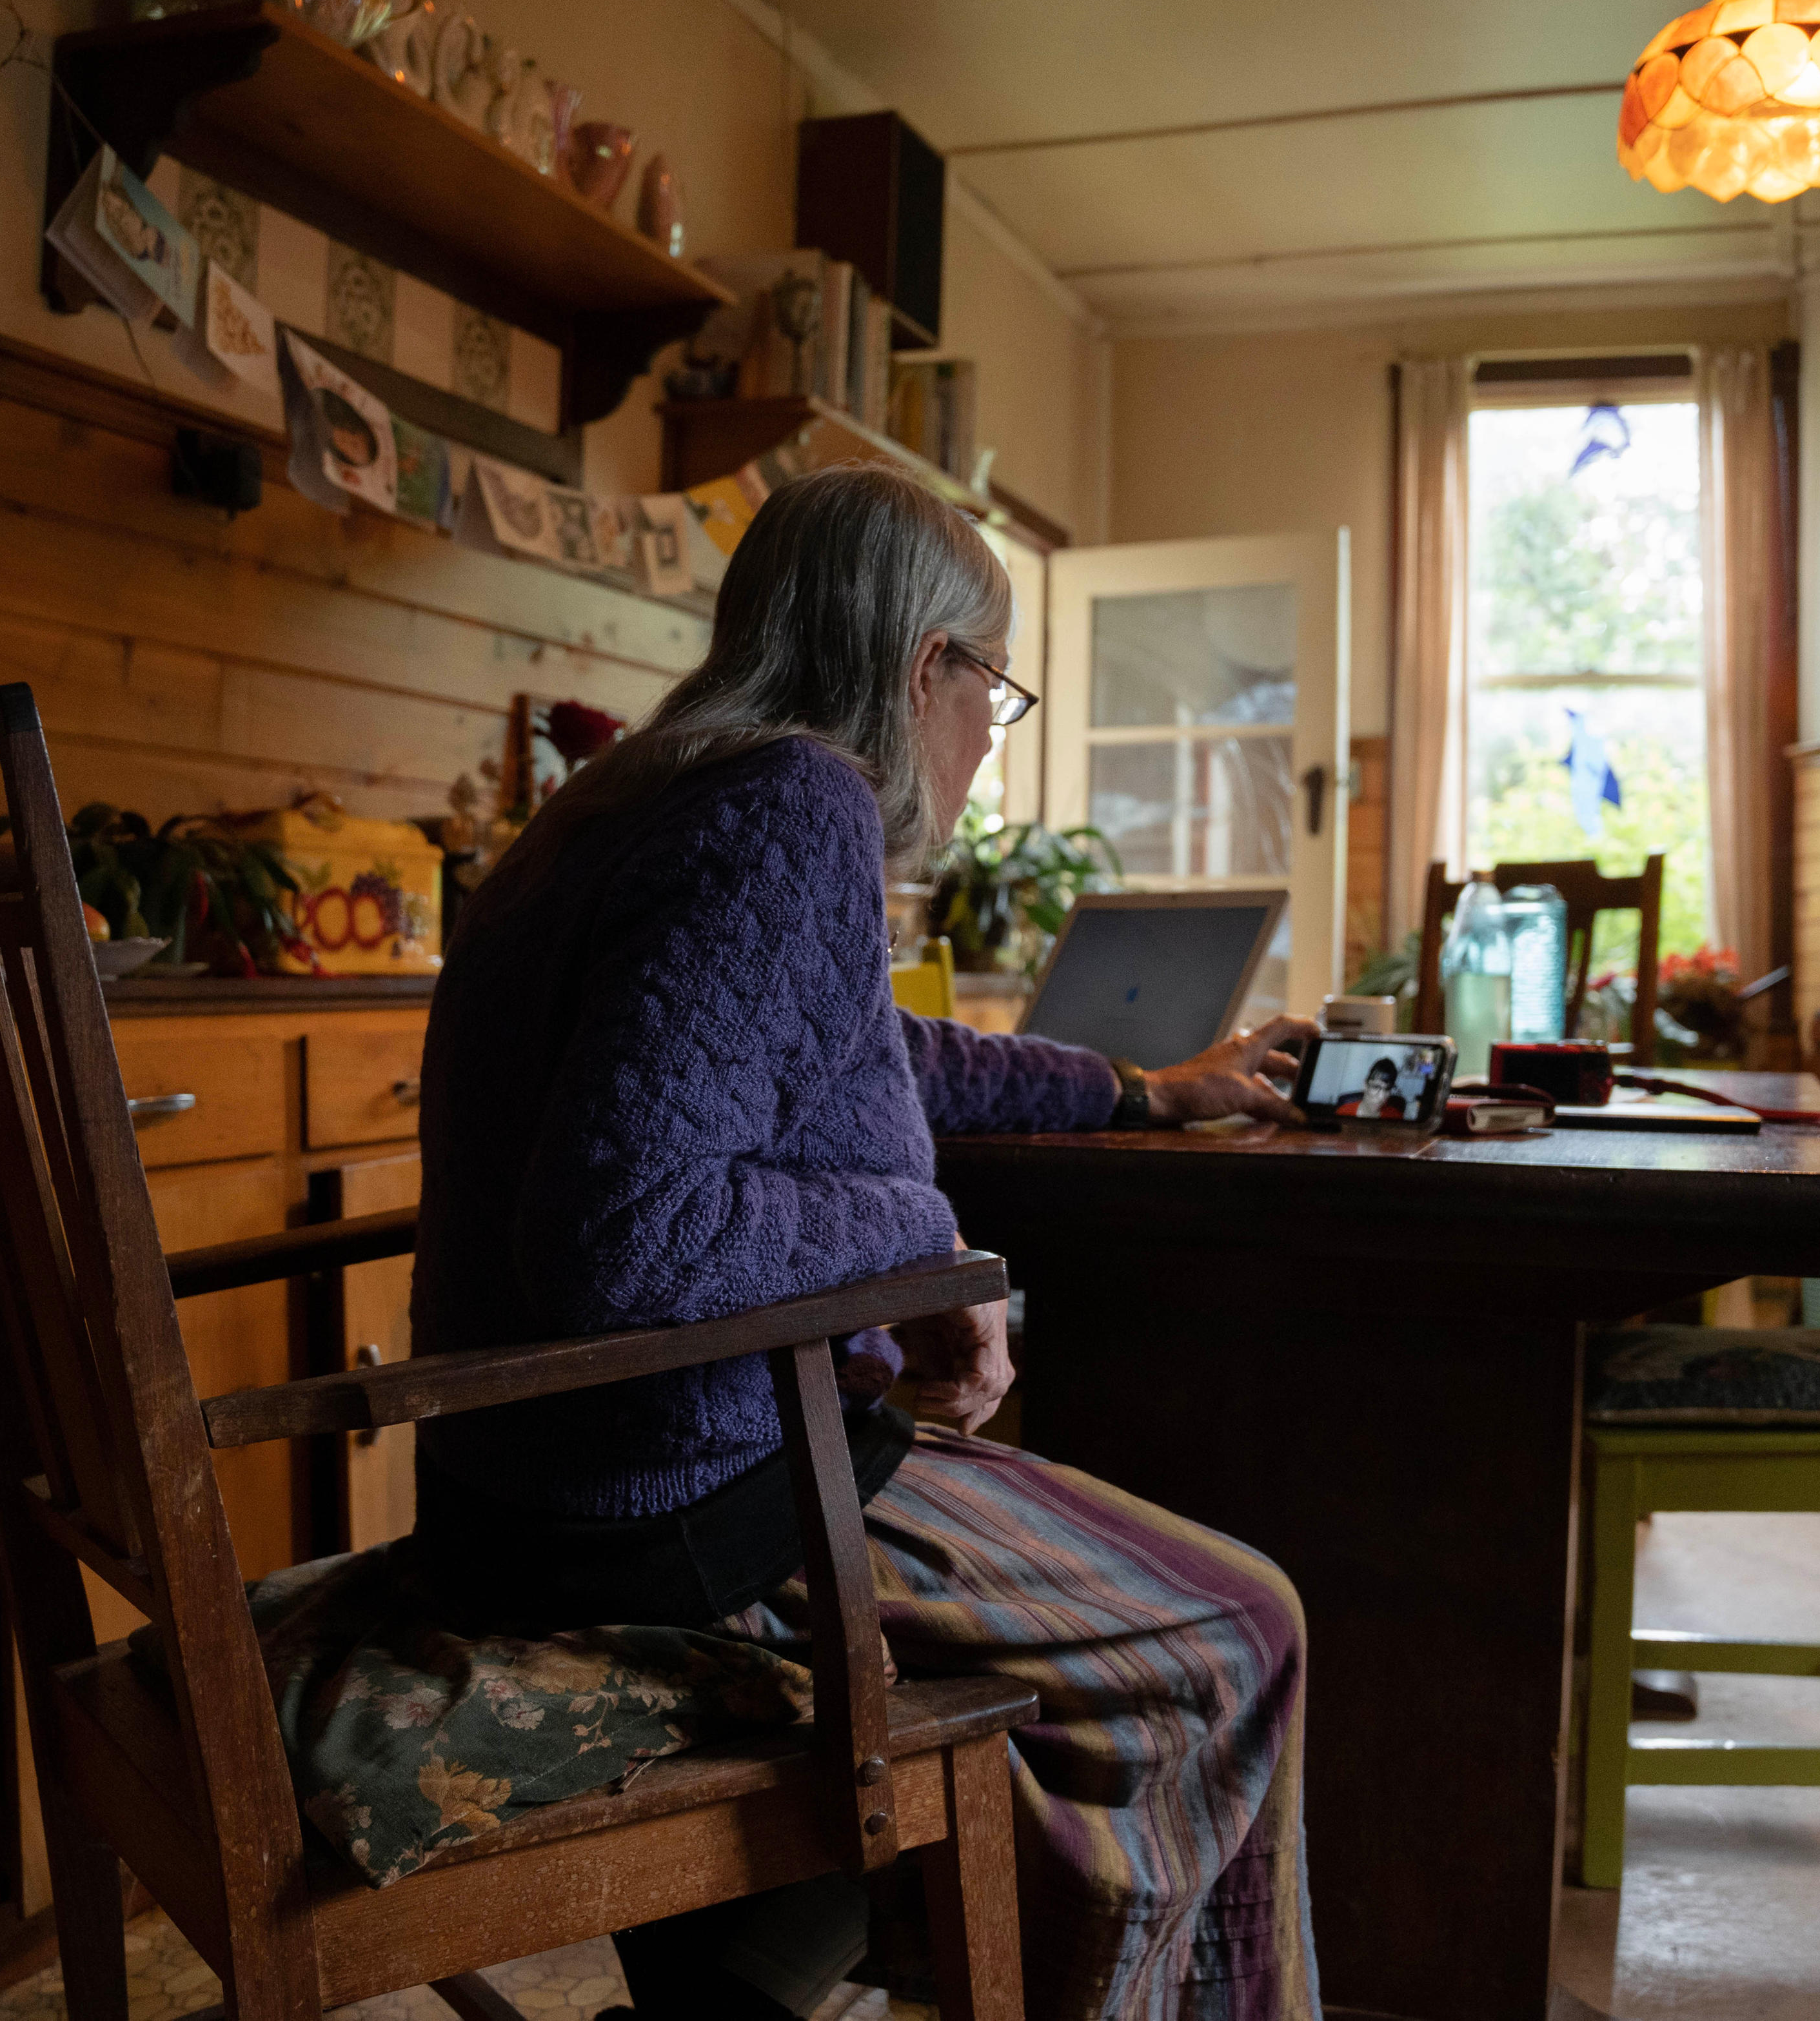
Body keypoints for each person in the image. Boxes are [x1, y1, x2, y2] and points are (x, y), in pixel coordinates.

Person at [411, 464, 1321, 2021]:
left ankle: (767, 1969)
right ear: (926, 668)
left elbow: (871, 1055)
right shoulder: (794, 803)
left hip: (522, 1483)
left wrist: (1136, 1088)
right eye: (996, 687)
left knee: (1035, 1700)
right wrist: (927, 1244)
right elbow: (627, 1230)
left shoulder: (637, 795)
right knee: (1244, 1626)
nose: (987, 734)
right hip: (671, 1505)